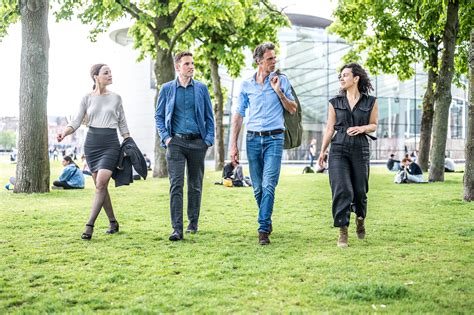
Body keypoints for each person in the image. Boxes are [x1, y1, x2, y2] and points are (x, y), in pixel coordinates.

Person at [230, 42, 297, 245]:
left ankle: (262, 229)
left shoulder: (281, 80)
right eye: (269, 59)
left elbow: (292, 109)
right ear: (259, 61)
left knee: (269, 185)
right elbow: (239, 115)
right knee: (258, 188)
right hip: (252, 140)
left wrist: (279, 92)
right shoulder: (246, 85)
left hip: (274, 139)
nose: (273, 62)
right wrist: (233, 145)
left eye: (274, 58)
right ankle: (266, 220)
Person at [57, 63, 130, 240]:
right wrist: (64, 133)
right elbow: (75, 121)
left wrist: (128, 140)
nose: (110, 75)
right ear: (96, 77)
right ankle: (113, 222)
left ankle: (89, 226)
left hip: (111, 142)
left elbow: (122, 122)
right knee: (101, 186)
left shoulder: (116, 98)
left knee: (101, 183)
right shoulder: (87, 98)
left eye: (111, 72)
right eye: (106, 73)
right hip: (92, 144)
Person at [155, 51, 215, 241]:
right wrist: (166, 138)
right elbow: (158, 116)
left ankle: (193, 222)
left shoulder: (201, 89)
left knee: (195, 185)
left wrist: (208, 141)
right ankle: (177, 229)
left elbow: (209, 117)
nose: (191, 66)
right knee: (176, 185)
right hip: (176, 143)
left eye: (192, 63)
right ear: (177, 67)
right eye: (187, 63)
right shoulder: (166, 89)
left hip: (198, 142)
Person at [318, 63, 378, 248]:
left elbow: (374, 125)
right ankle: (342, 230)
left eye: (345, 75)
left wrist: (362, 128)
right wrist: (322, 151)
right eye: (340, 76)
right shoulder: (335, 102)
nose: (342, 79)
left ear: (356, 78)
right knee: (342, 189)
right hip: (339, 149)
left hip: (360, 148)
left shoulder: (371, 101)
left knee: (360, 191)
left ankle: (360, 218)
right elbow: (329, 128)